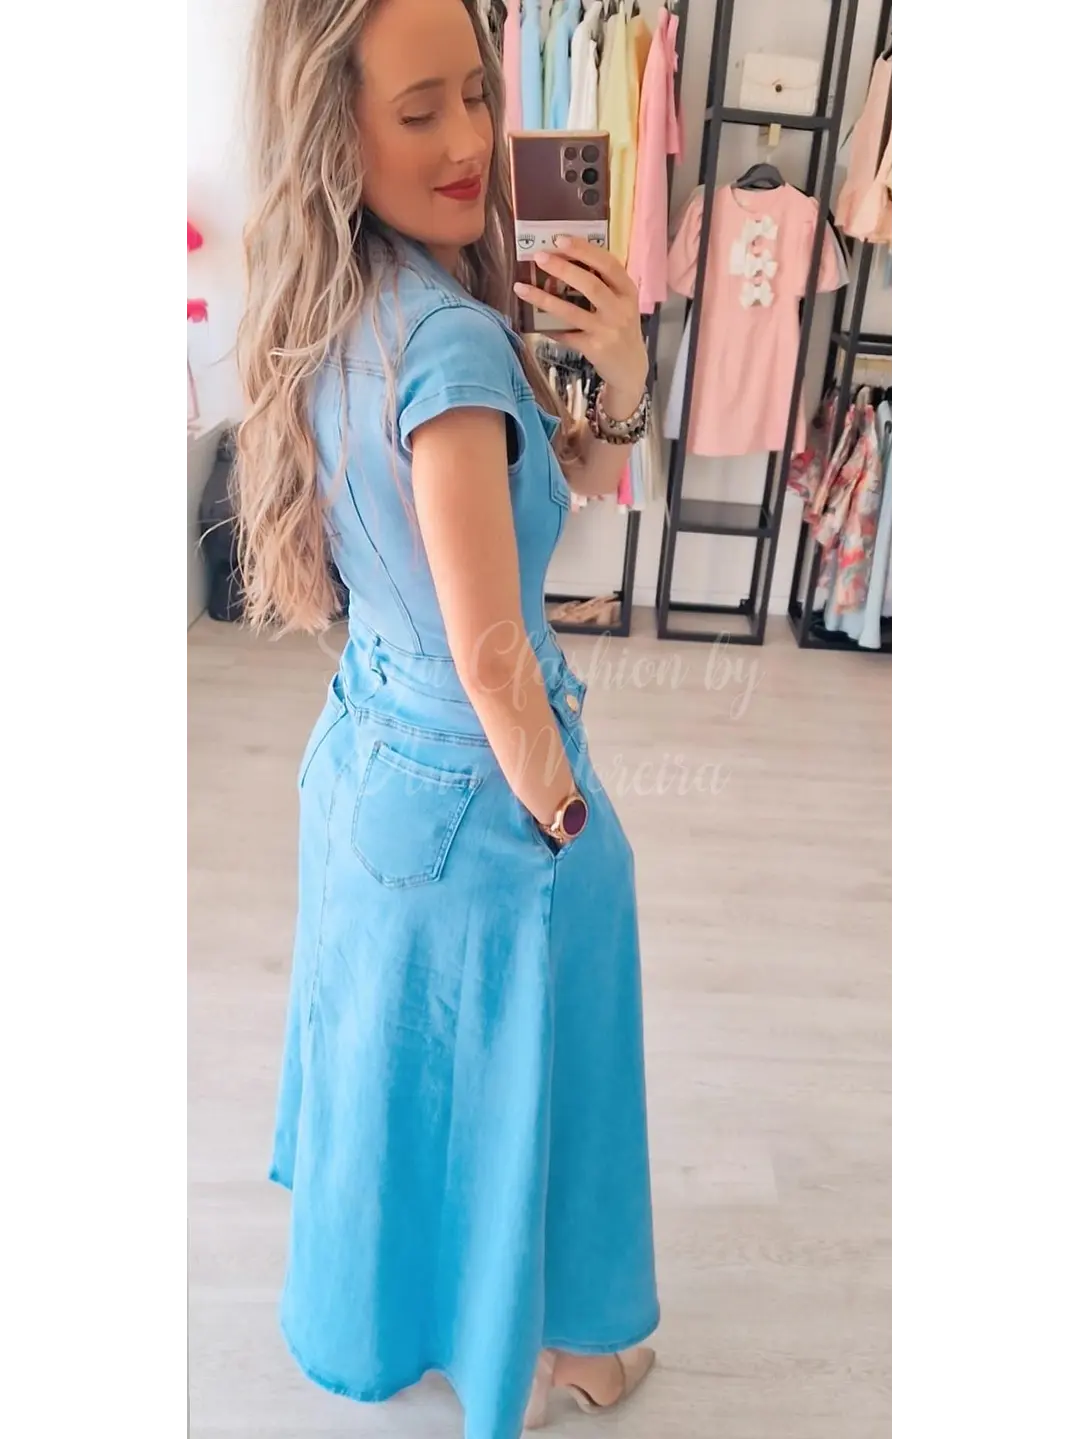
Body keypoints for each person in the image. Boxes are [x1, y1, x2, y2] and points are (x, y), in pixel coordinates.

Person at [234, 2, 658, 1434]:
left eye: (476, 94)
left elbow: (532, 497)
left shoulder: (335, 299)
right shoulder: (454, 347)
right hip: (481, 793)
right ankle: (548, 1349)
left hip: (367, 758)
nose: (471, 138)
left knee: (406, 1071)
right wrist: (570, 820)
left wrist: (618, 387)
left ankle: (389, 1316)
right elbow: (493, 653)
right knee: (520, 1077)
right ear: (333, 130)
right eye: (421, 111)